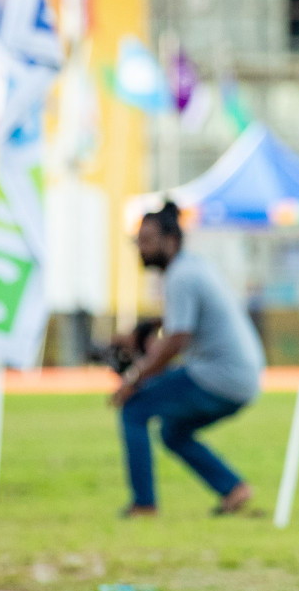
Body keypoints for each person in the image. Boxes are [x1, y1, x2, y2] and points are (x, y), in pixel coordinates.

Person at [111, 201, 264, 518]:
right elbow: (175, 324)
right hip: (243, 378)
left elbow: (176, 341)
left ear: (171, 240)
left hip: (220, 375)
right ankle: (233, 489)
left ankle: (143, 504)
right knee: (172, 432)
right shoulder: (194, 266)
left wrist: (134, 379)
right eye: (138, 241)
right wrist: (145, 331)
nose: (141, 248)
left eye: (148, 240)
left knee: (133, 408)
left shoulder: (180, 276)